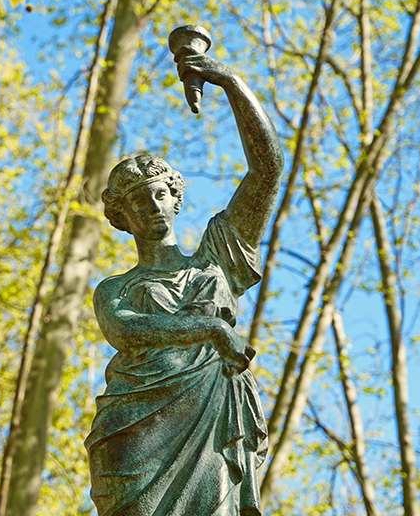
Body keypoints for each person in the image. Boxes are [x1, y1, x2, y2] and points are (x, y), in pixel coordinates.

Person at [85, 52, 284, 516]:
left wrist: (232, 83)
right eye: (138, 200)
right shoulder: (114, 288)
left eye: (160, 193)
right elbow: (126, 331)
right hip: (133, 427)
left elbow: (268, 171)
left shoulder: (216, 261)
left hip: (211, 419)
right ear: (123, 218)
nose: (152, 205)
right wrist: (212, 330)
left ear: (176, 199)